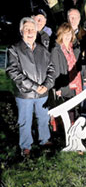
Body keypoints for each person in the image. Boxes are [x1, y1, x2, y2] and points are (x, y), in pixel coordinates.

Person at [6, 17, 55, 157]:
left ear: (36, 32)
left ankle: (44, 139)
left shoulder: (42, 49)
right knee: (25, 120)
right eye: (26, 29)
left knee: (43, 118)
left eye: (32, 29)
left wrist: (47, 85)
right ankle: (26, 145)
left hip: (43, 93)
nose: (30, 32)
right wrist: (34, 87)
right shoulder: (14, 49)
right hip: (25, 94)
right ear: (21, 31)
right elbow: (13, 71)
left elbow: (51, 69)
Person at [51, 22, 83, 125]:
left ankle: (74, 130)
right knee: (66, 110)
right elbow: (55, 70)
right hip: (64, 84)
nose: (68, 36)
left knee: (74, 109)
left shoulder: (73, 49)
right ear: (60, 34)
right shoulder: (56, 50)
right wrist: (58, 87)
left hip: (76, 83)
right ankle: (66, 132)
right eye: (65, 34)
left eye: (70, 34)